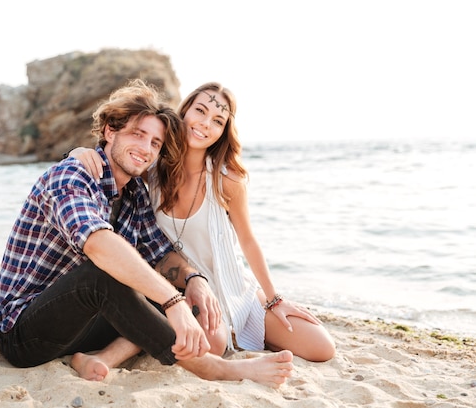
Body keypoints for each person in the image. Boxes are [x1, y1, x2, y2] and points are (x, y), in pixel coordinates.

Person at [0, 79, 294, 387]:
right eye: (138, 134)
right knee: (105, 274)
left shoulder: (134, 192)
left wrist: (193, 280)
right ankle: (211, 367)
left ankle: (100, 358)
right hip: (23, 334)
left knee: (154, 280)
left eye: (155, 143)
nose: (145, 149)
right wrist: (173, 302)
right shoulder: (72, 176)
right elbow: (99, 245)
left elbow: (160, 253)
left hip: (78, 327)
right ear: (110, 131)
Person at [70, 82, 336, 364]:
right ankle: (118, 351)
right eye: (200, 110)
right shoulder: (152, 172)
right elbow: (117, 160)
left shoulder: (227, 179)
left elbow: (248, 240)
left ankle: (245, 328)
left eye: (218, 120)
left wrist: (274, 298)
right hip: (182, 289)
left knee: (321, 348)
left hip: (233, 288)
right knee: (212, 345)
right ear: (184, 112)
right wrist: (77, 153)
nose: (205, 124)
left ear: (223, 132)